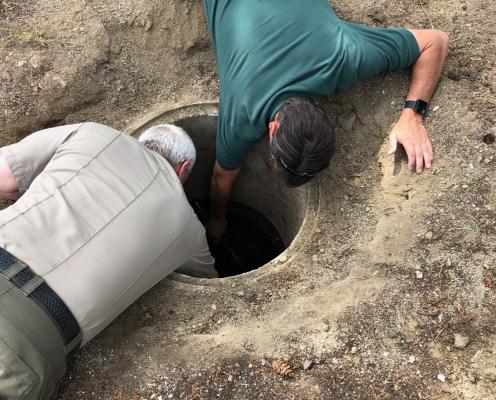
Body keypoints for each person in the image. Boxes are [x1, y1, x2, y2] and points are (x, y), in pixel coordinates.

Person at [0, 122, 215, 399]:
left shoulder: (93, 133)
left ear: (140, 140)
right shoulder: (189, 226)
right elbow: (210, 277)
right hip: (26, 343)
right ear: (184, 169)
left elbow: (5, 178)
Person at [202, 0, 449, 239]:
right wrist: (217, 219)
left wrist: (413, 115)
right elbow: (220, 177)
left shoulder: (344, 57)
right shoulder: (243, 108)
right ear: (273, 128)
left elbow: (435, 42)